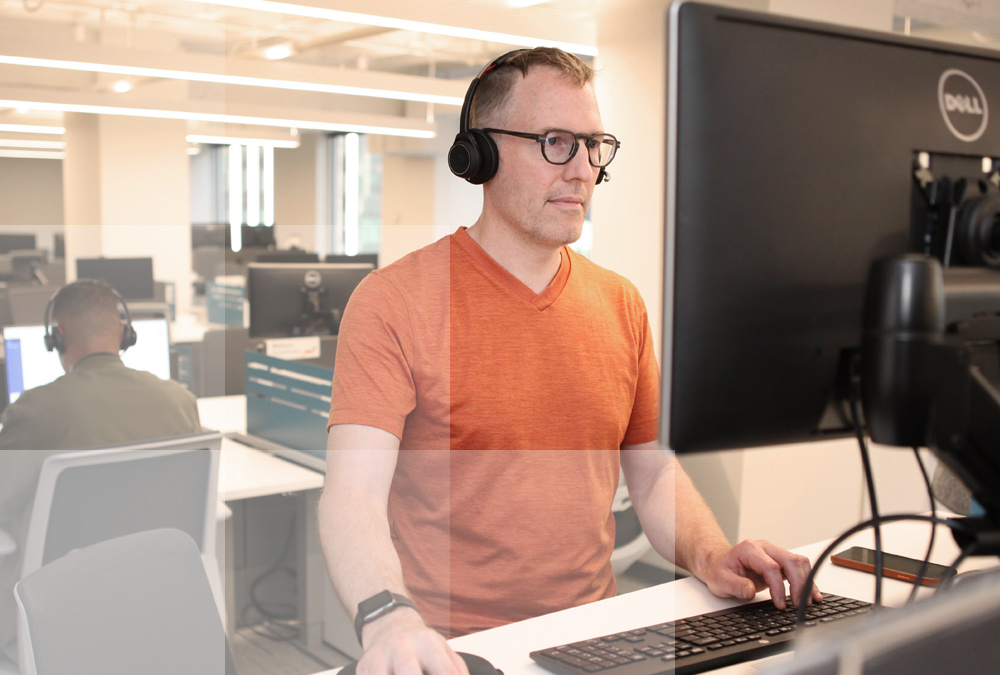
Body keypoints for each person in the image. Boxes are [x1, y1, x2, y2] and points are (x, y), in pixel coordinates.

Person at [319, 47, 822, 675]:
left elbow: (652, 472)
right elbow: (352, 496)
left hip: (594, 641)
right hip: (450, 651)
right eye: (557, 142)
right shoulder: (393, 301)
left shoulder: (620, 302)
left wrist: (711, 552)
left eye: (593, 144)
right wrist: (387, 618)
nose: (583, 168)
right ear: (481, 154)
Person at [0, 278, 202, 660]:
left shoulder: (35, 410)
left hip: (59, 598)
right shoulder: (180, 401)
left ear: (56, 337)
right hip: (155, 588)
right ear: (124, 333)